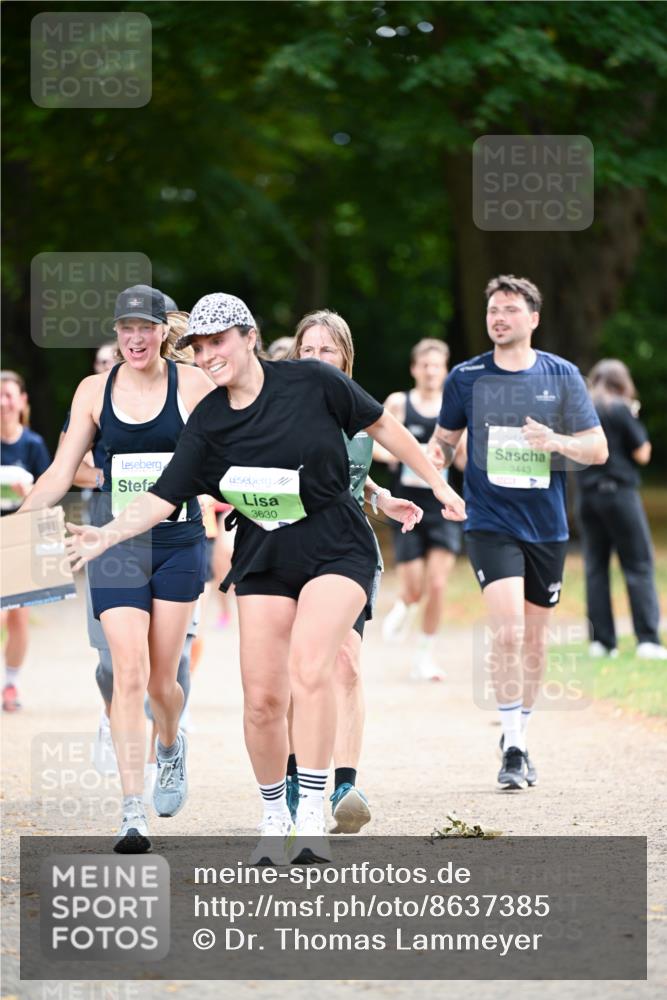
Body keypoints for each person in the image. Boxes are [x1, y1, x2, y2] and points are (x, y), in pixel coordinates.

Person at [65, 292, 465, 864]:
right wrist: (106, 534)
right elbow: (161, 495)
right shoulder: (206, 421)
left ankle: (310, 815)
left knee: (311, 665)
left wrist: (439, 485)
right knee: (262, 700)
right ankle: (274, 813)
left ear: (249, 336)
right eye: (198, 347)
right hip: (263, 553)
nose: (207, 355)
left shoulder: (312, 381)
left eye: (218, 341)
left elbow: (386, 428)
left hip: (335, 544)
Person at [20, 284, 214, 852]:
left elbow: (226, 453)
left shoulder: (192, 386)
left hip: (179, 541)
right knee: (127, 672)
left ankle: (172, 745)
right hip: (114, 546)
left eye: (144, 328)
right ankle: (133, 810)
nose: (134, 338)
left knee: (163, 681)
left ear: (161, 332)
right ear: (116, 333)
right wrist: (14, 527)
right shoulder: (92, 391)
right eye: (124, 328)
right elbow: (59, 473)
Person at [429, 275, 608, 791]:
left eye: (509, 309)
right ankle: (510, 745)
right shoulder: (465, 377)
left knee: (534, 642)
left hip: (547, 527)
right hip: (490, 523)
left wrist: (554, 440)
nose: (498, 318)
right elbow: (444, 441)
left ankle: (522, 737)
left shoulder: (563, 375)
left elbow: (597, 450)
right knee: (506, 632)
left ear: (533, 318)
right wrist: (436, 474)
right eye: (492, 311)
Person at [289, 309, 423, 834]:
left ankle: (344, 784)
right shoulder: (276, 406)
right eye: (309, 350)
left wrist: (382, 497)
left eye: (328, 350)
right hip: (286, 551)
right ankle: (298, 778)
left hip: (347, 552)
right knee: (295, 669)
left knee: (345, 663)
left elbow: (353, 474)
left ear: (345, 357)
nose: (319, 359)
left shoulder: (360, 411)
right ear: (295, 356)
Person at [374, 339, 463, 680]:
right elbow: (374, 444)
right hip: (407, 505)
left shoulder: (453, 408)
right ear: (414, 369)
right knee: (414, 587)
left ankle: (424, 657)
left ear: (445, 370)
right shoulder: (399, 403)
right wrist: (402, 454)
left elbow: (465, 457)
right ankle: (405, 603)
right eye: (424, 365)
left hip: (442, 505)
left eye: (436, 365)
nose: (430, 371)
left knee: (437, 584)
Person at [578, 359, 666, 661]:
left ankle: (602, 642)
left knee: (595, 568)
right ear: (622, 381)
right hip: (619, 494)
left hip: (588, 499)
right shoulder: (620, 408)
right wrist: (633, 414)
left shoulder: (582, 410)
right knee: (638, 564)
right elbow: (642, 453)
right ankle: (647, 639)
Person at [1, 371, 51, 712]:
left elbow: (48, 495)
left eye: (8, 395)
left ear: (22, 402)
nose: (3, 403)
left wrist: (27, 492)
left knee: (18, 616)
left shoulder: (32, 445)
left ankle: (11, 685)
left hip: (22, 534)